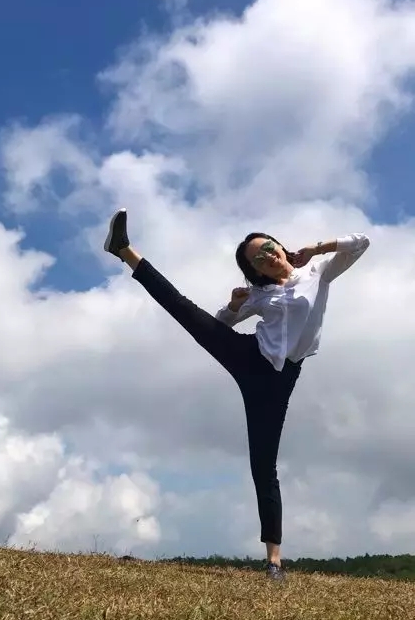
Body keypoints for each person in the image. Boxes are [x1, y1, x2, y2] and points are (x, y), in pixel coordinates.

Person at [103, 208, 370, 581]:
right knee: (184, 309)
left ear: (280, 247)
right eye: (258, 258)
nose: (268, 257)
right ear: (255, 270)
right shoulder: (259, 295)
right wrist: (233, 305)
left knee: (264, 465)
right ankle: (124, 250)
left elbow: (360, 243)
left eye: (269, 248)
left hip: (278, 382)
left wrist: (315, 248)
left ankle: (274, 561)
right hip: (248, 357)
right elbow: (221, 323)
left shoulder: (317, 273)